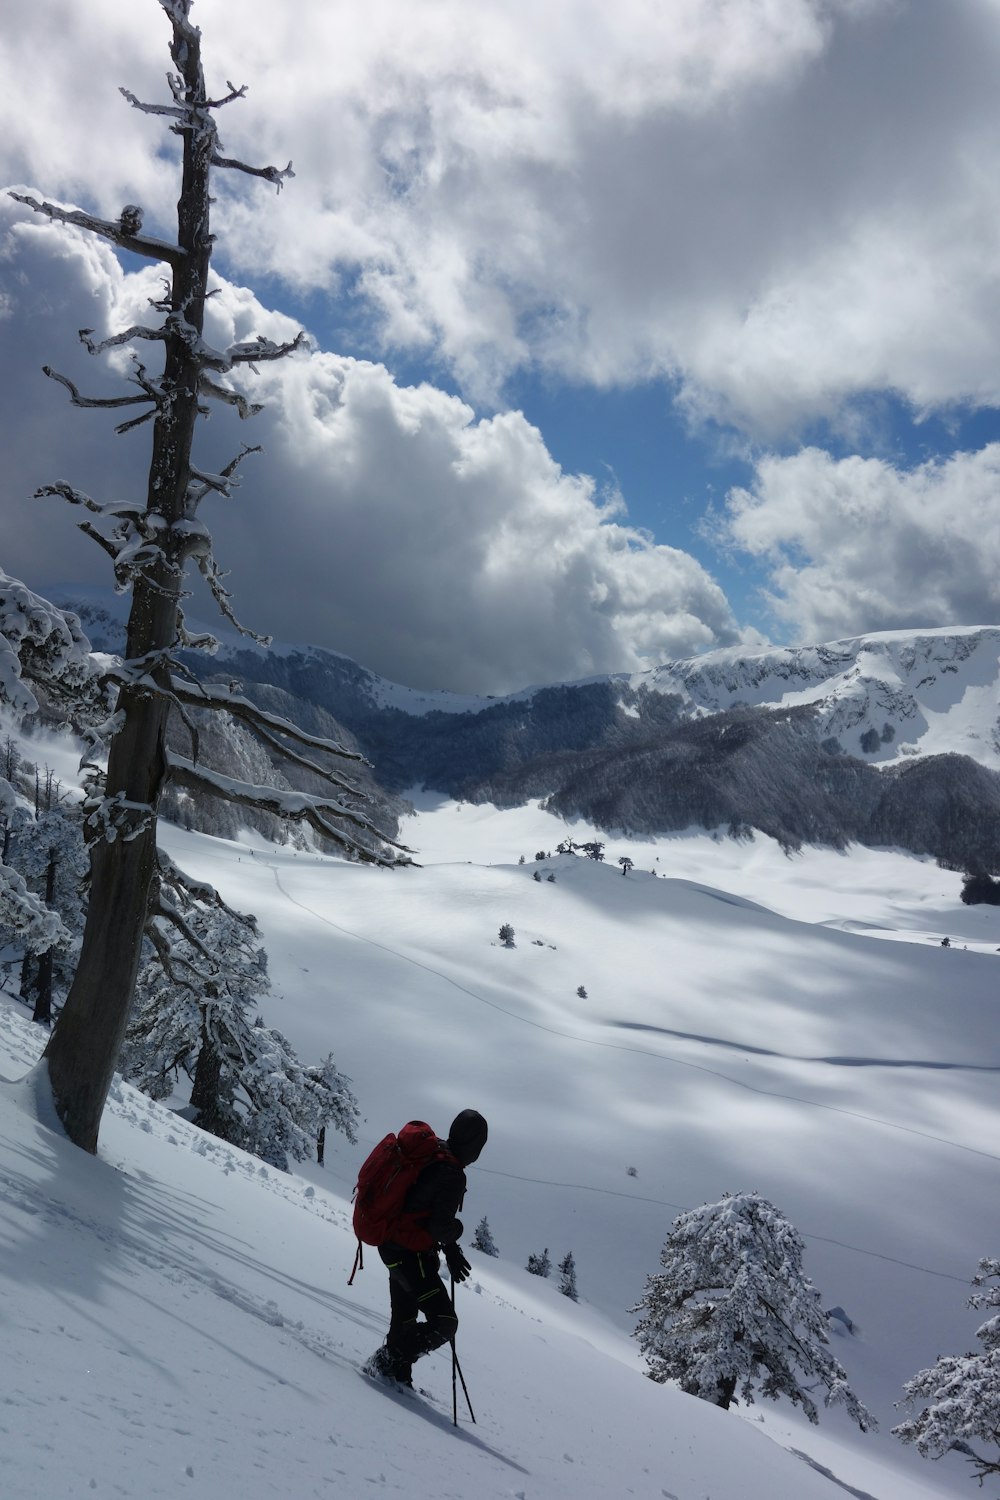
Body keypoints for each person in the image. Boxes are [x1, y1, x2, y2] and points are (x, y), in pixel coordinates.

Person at [364, 1108, 488, 1387]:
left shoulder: (434, 1152)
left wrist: (450, 1249)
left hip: (392, 1247)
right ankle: (386, 1361)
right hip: (409, 1254)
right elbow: (440, 1227)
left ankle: (397, 1379)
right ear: (473, 1146)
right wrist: (456, 1233)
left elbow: (422, 1211)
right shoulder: (452, 1173)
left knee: (405, 1317)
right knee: (445, 1322)